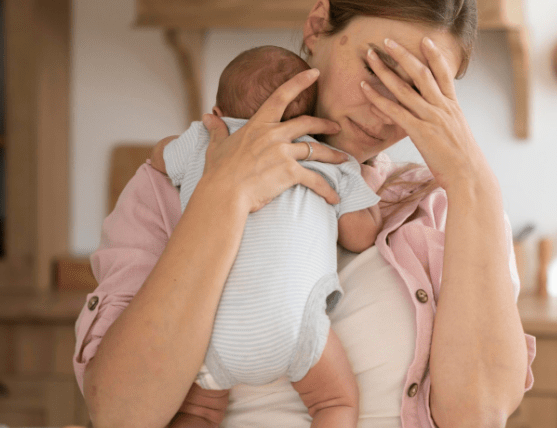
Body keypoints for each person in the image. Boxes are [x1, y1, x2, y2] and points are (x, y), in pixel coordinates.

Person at [74, 0, 536, 428]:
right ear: (318, 26)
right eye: (376, 67)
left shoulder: (447, 210)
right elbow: (122, 415)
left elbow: (477, 416)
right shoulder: (172, 187)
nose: (384, 109)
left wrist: (471, 180)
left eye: (418, 90)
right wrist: (223, 197)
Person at [149, 45, 384, 427]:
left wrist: (197, 135)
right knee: (335, 404)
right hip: (292, 326)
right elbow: (361, 236)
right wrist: (366, 176)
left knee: (198, 412)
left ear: (218, 113)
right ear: (310, 119)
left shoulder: (205, 142)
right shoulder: (324, 157)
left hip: (207, 328)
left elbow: (158, 158)